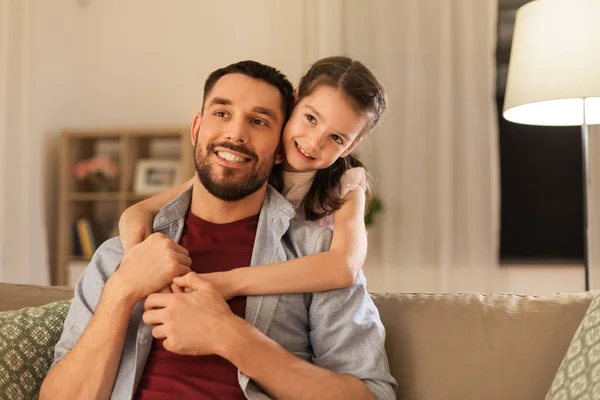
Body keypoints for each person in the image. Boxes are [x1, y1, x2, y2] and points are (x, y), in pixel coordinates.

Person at [40, 60, 396, 399]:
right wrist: (123, 288)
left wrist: (230, 336)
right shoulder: (120, 255)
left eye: (259, 122)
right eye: (222, 114)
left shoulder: (317, 254)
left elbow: (372, 394)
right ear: (197, 129)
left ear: (278, 149)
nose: (235, 134)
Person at [119, 55, 386, 299]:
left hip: (298, 293)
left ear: (350, 147)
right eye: (310, 118)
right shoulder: (254, 160)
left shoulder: (345, 185)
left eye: (336, 138)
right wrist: (135, 258)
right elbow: (141, 211)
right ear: (294, 102)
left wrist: (228, 283)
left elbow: (345, 266)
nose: (314, 142)